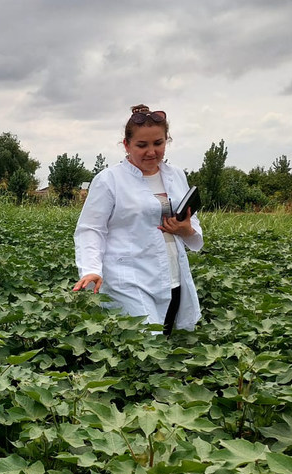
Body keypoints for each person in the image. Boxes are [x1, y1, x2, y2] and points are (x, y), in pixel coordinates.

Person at [73, 105, 202, 334]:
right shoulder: (109, 180)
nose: (151, 152)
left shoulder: (176, 175)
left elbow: (193, 222)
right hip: (128, 278)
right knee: (147, 345)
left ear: (166, 141)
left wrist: (186, 230)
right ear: (126, 144)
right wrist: (91, 269)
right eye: (142, 145)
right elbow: (91, 229)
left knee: (169, 345)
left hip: (173, 276)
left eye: (158, 143)